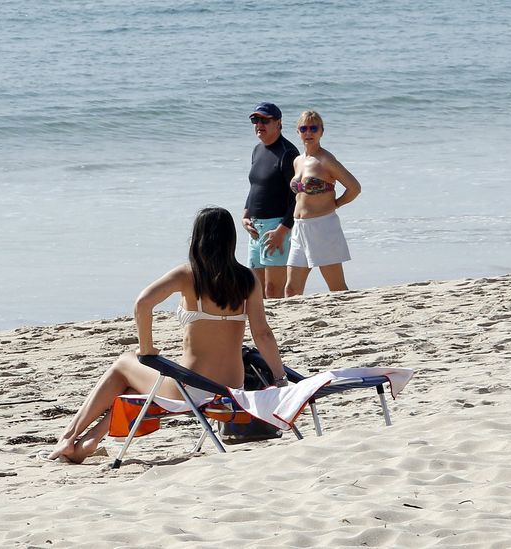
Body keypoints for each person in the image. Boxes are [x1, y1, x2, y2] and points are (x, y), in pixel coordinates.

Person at [48, 207, 286, 464]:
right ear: (231, 239)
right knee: (132, 382)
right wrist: (279, 377)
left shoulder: (188, 274)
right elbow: (262, 333)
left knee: (124, 364)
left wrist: (146, 350)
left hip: (190, 389)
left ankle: (68, 437)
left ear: (198, 239)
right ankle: (90, 441)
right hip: (230, 389)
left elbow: (142, 304)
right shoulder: (248, 278)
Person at [284, 110, 361, 297]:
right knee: (291, 289)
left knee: (337, 287)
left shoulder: (326, 160)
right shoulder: (297, 161)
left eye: (313, 128)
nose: (308, 132)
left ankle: (347, 319)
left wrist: (336, 204)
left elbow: (354, 187)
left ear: (321, 132)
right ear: (298, 132)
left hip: (323, 227)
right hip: (299, 228)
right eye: (304, 128)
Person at [243, 102, 299, 299]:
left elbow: (298, 197)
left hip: (277, 227)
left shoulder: (288, 153)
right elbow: (255, 186)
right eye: (255, 120)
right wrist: (245, 214)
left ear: (279, 123)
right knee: (257, 290)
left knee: (273, 290)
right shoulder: (257, 150)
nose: (259, 124)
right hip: (255, 229)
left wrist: (282, 230)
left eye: (265, 120)